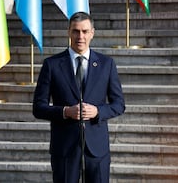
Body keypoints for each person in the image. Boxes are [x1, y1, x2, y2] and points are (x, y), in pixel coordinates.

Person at [33, 11, 125, 183]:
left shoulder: (106, 64)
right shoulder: (51, 65)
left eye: (84, 31)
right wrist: (66, 111)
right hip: (65, 148)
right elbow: (38, 107)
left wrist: (98, 111)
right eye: (75, 31)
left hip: (97, 149)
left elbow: (119, 104)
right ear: (69, 32)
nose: (80, 36)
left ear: (92, 33)